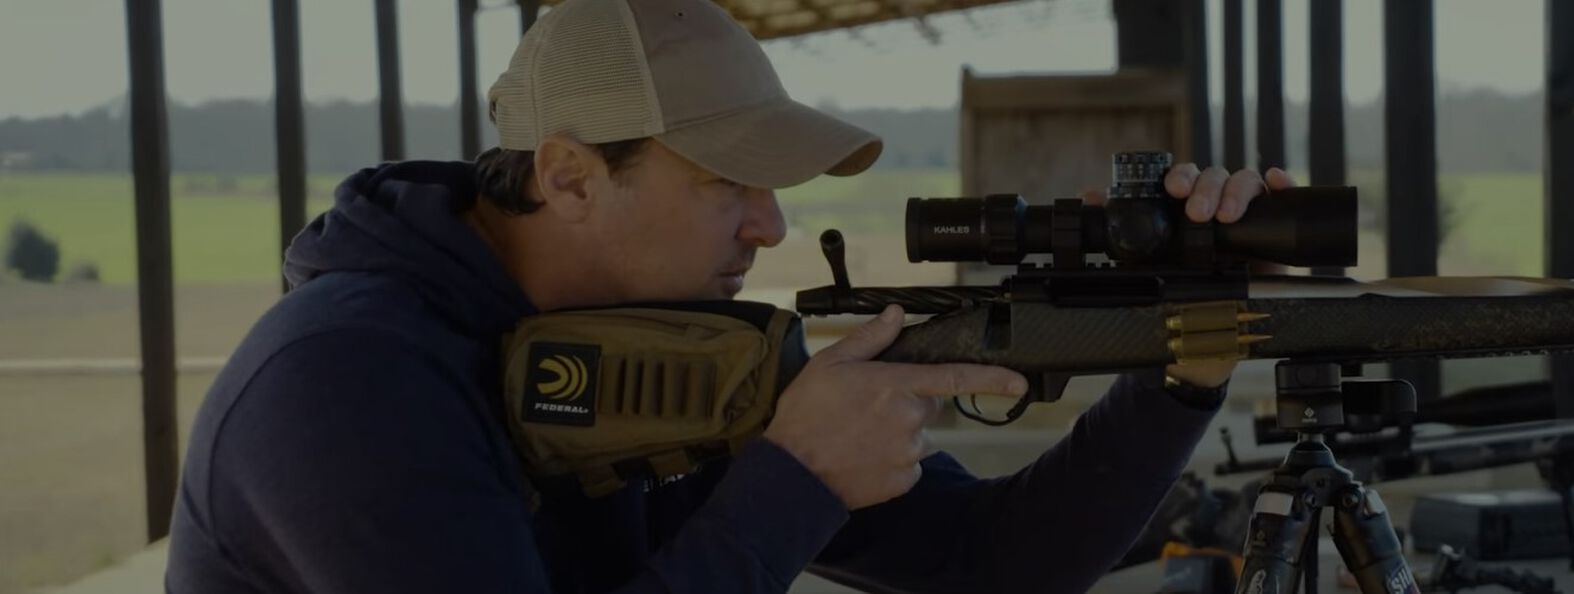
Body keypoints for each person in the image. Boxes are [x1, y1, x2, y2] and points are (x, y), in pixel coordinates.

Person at [164, 0, 1298, 592]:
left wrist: (1180, 360)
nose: (770, 225)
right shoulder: (343, 387)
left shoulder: (672, 357)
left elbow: (1002, 563)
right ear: (567, 175)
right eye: (726, 186)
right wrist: (790, 483)